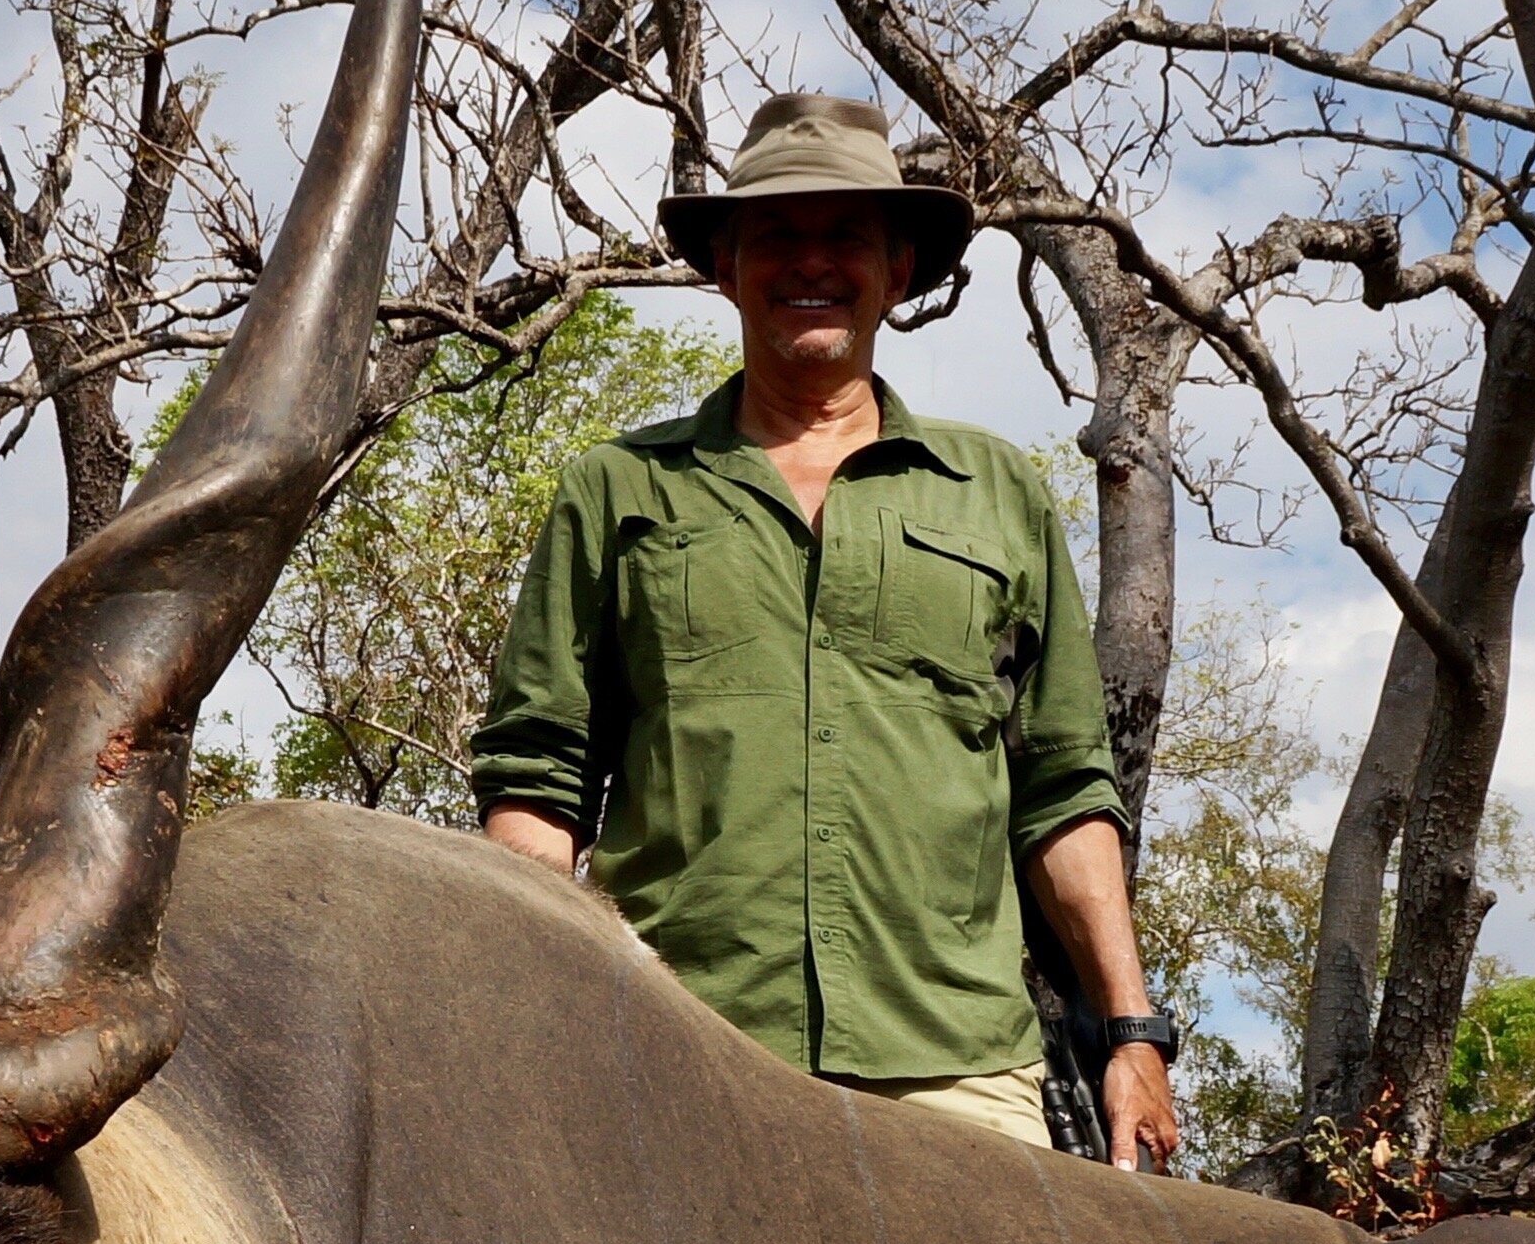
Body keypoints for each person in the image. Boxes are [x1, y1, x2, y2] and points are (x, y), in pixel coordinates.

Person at [470, 92, 1180, 1168]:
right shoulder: (615, 491)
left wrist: (1129, 1031)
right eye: (775, 236)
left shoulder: (996, 493)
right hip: (672, 1049)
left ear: (897, 270)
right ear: (724, 269)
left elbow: (1062, 793)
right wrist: (527, 1022)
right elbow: (539, 781)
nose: (811, 262)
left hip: (953, 1064)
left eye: (844, 234)